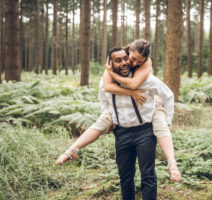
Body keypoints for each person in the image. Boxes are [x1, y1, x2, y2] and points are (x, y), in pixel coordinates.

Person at [56, 40, 181, 182]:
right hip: (117, 117)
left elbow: (142, 86)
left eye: (139, 62)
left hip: (152, 108)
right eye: (132, 59)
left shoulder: (145, 68)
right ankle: (72, 150)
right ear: (128, 52)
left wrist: (168, 119)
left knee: (161, 126)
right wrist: (110, 111)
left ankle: (172, 164)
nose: (134, 63)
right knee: (100, 123)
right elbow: (105, 92)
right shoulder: (115, 61)